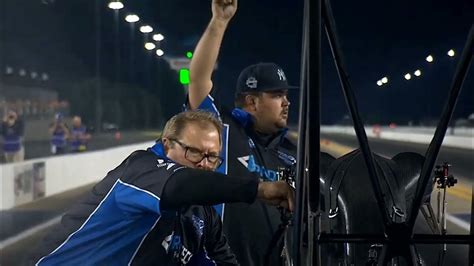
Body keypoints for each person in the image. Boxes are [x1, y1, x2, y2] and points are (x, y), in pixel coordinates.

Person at [29, 110, 294, 265]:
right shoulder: (141, 169)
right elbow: (179, 184)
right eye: (194, 152)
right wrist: (258, 189)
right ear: (167, 145)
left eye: (212, 157)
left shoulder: (203, 216)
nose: (204, 164)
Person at [187, 1, 298, 265]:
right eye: (277, 95)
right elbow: (198, 81)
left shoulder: (292, 153)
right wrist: (220, 22)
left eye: (286, 95)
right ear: (251, 102)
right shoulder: (221, 130)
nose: (286, 102)